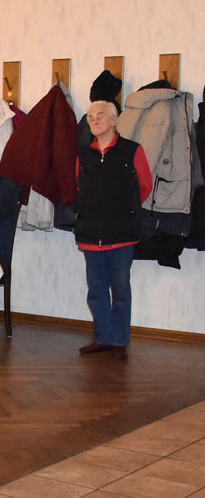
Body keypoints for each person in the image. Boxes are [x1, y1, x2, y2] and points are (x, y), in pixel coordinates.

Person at [76, 100, 152, 360]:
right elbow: (79, 187)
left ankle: (119, 340)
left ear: (114, 120)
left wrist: (123, 210)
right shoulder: (83, 154)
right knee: (96, 290)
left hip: (122, 234)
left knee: (120, 289)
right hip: (91, 233)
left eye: (100, 116)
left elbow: (144, 186)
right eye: (90, 117)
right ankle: (103, 338)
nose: (94, 121)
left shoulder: (132, 150)